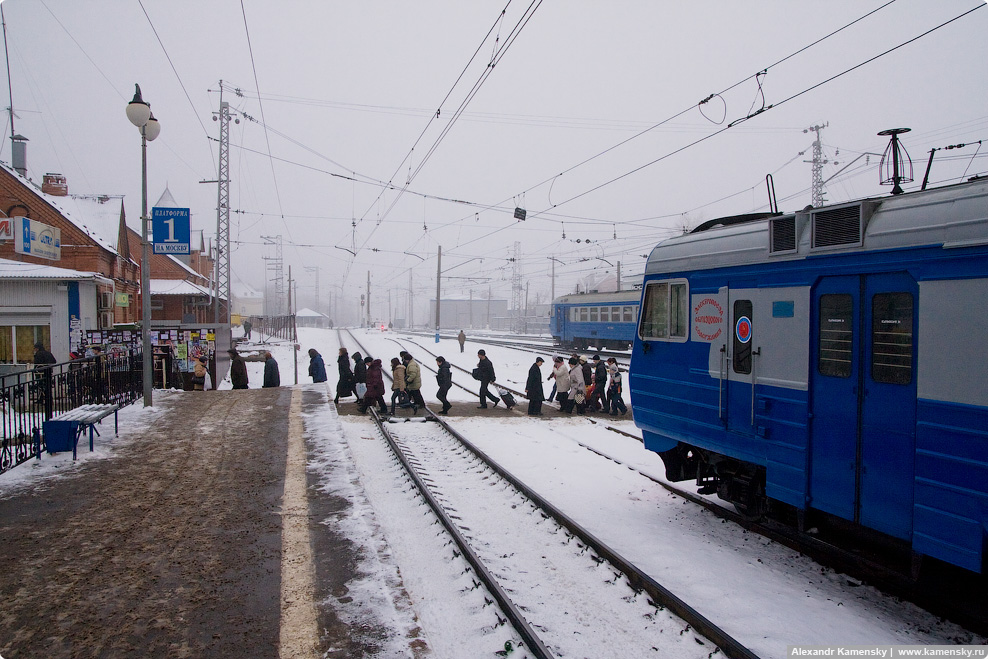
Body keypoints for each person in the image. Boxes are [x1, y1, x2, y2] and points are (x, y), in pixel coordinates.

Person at [33, 341, 57, 414]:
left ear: (37, 348)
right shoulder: (48, 353)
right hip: (49, 372)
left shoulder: (38, 354)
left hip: (41, 372)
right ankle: (47, 399)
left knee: (42, 386)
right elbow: (54, 361)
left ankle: (44, 399)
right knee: (48, 386)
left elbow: (37, 363)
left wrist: (37, 369)